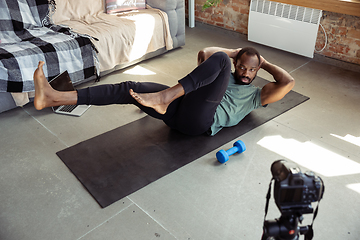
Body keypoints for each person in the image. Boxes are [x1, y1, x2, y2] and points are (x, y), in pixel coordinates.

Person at [33, 46, 295, 136]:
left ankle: (164, 97)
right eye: (242, 67)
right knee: (129, 89)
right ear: (238, 64)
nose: (246, 74)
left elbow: (288, 83)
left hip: (200, 122)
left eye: (251, 71)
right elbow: (205, 54)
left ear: (257, 72)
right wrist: (235, 54)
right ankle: (55, 97)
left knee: (220, 62)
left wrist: (263, 62)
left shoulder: (258, 95)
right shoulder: (223, 71)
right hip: (181, 110)